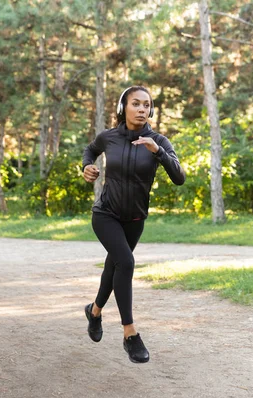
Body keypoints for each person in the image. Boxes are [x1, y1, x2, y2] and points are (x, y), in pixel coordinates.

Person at [82, 86, 185, 363]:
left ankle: (94, 311)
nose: (142, 109)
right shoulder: (109, 137)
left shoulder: (158, 140)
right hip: (105, 214)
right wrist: (87, 167)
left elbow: (180, 177)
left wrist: (159, 152)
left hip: (135, 219)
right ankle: (130, 333)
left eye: (147, 105)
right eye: (136, 104)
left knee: (113, 265)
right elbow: (89, 151)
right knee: (125, 263)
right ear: (123, 107)